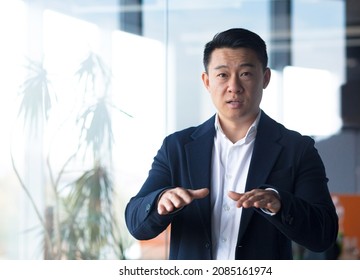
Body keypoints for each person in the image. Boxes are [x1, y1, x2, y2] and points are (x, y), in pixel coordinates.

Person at [124, 27, 339, 260]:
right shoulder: (177, 147)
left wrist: (280, 204)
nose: (234, 86)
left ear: (265, 78)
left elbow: (324, 234)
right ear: (207, 81)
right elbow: (136, 223)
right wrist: (160, 202)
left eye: (245, 73)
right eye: (222, 75)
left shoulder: (297, 149)